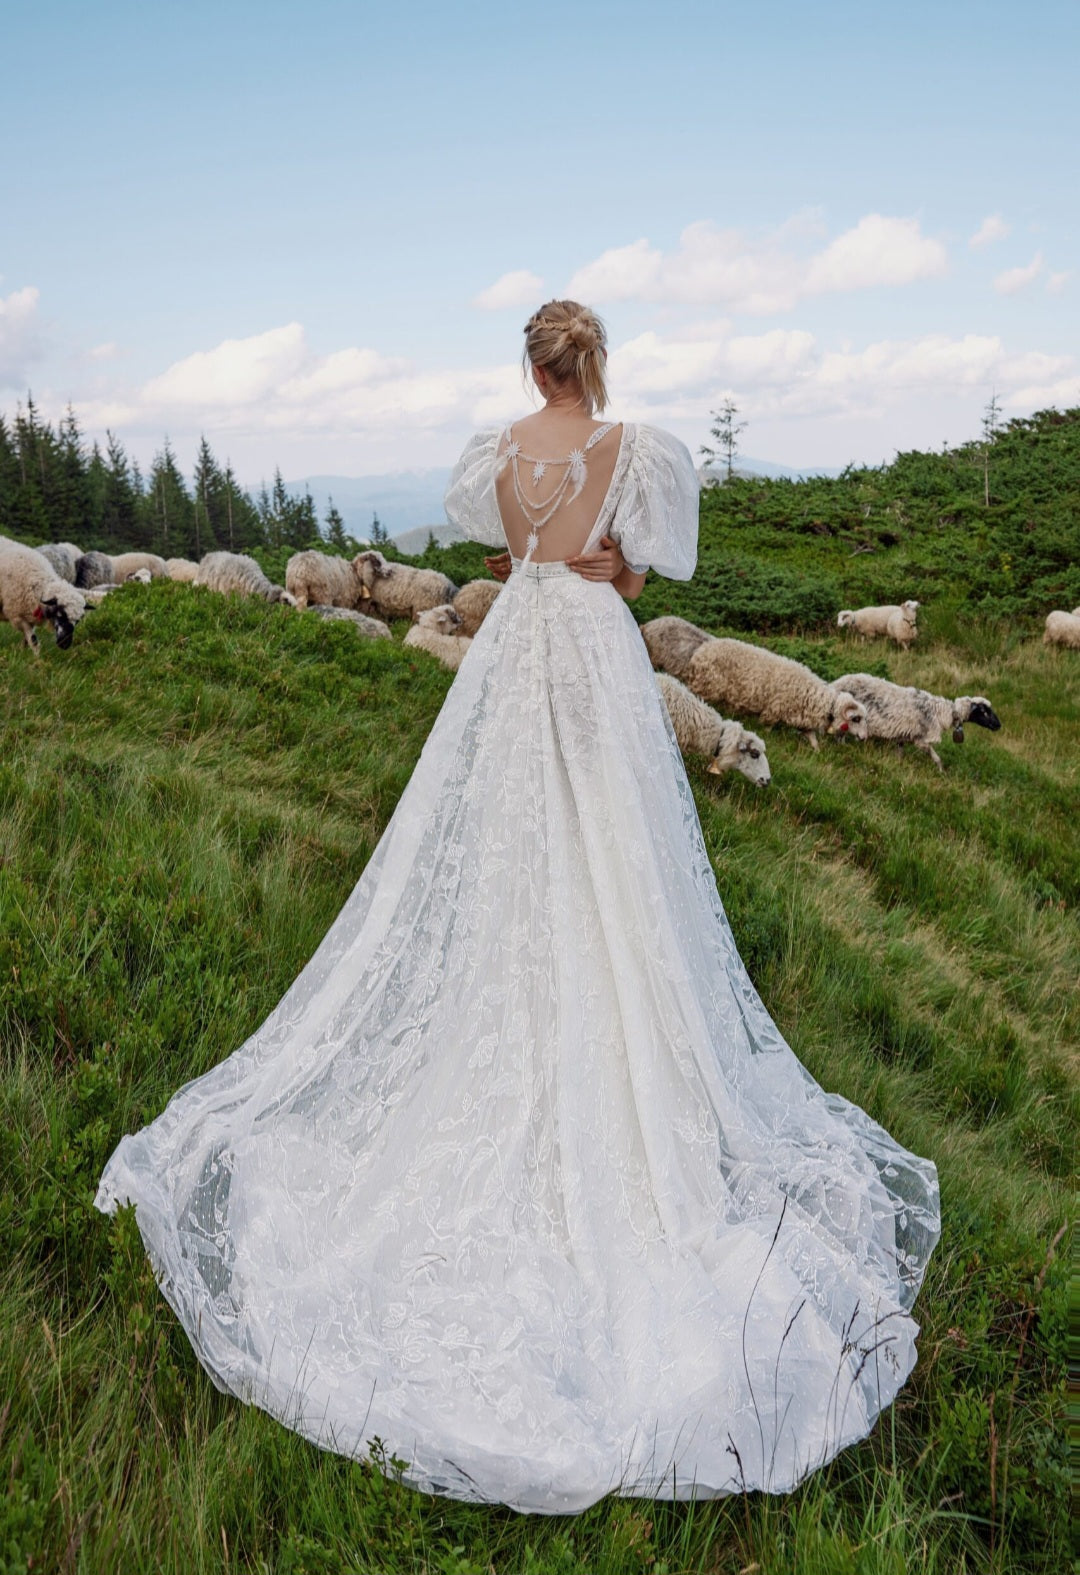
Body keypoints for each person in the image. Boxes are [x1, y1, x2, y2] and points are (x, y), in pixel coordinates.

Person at [95, 299, 940, 1516]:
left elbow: (499, 558)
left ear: (530, 365)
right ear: (592, 363)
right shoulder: (628, 450)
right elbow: (638, 572)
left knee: (501, 833)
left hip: (515, 642)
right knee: (614, 840)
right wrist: (611, 567)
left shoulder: (497, 454)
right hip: (591, 641)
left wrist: (542, 559)